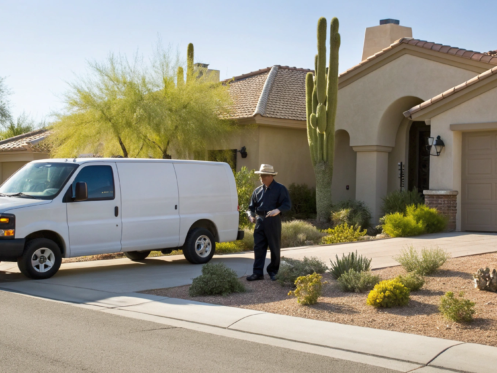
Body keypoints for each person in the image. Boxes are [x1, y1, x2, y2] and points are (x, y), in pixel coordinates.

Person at [246, 164, 291, 281]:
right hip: (260, 221)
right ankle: (257, 273)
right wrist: (251, 216)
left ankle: (273, 272)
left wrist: (278, 210)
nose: (261, 178)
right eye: (260, 176)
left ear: (271, 176)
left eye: (264, 176)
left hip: (273, 220)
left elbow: (287, 204)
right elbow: (251, 207)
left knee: (274, 247)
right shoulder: (257, 191)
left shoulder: (280, 189)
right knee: (258, 247)